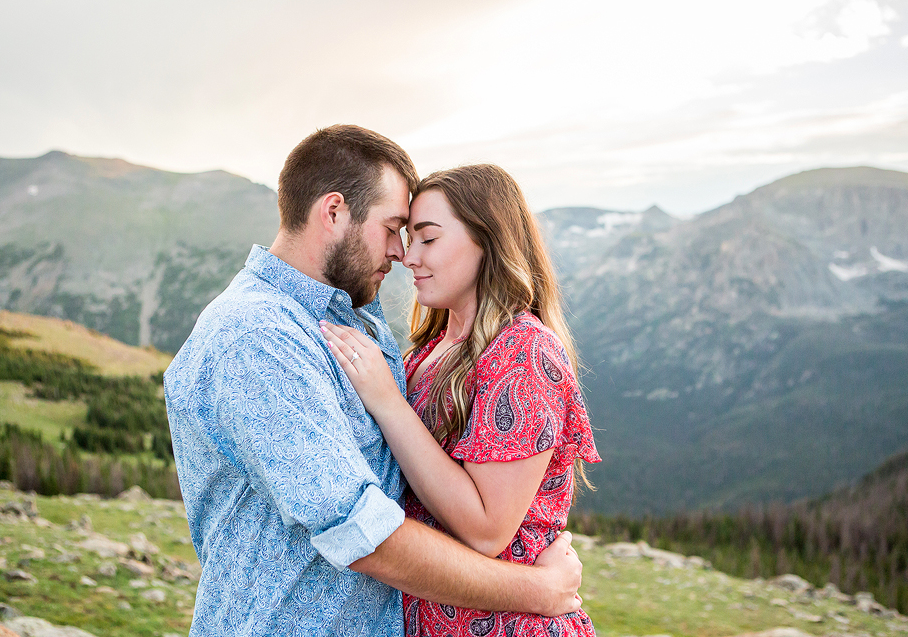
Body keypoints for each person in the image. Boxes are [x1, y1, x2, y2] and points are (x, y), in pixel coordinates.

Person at [164, 126, 583, 637]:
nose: (401, 253)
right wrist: (537, 590)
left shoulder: (355, 319)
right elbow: (362, 531)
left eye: (421, 236)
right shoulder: (256, 336)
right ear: (334, 212)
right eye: (394, 229)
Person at [320, 163, 601, 637]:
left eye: (428, 239)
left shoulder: (523, 352)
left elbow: (487, 530)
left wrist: (388, 402)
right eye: (408, 238)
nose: (409, 257)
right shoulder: (429, 350)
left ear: (487, 241)